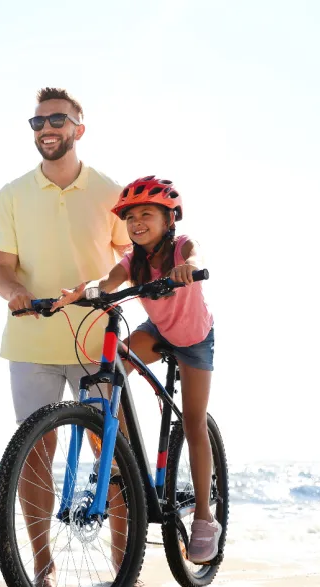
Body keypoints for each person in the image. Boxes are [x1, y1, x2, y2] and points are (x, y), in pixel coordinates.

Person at [0, 87, 131, 587]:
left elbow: (128, 256)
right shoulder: (12, 193)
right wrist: (16, 293)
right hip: (30, 341)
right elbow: (0, 270)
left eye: (57, 120)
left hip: (96, 340)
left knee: (112, 452)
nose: (46, 129)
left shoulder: (111, 192)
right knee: (34, 454)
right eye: (37, 122)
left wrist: (105, 287)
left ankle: (123, 567)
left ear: (78, 127)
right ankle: (44, 568)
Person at [54, 175, 219, 563]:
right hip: (158, 331)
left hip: (195, 340)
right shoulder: (133, 259)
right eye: (130, 218)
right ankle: (118, 451)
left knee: (193, 422)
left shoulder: (181, 247)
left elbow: (197, 258)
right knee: (109, 372)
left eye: (147, 214)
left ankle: (205, 519)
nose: (137, 223)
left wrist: (186, 269)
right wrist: (85, 291)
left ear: (170, 219)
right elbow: (109, 281)